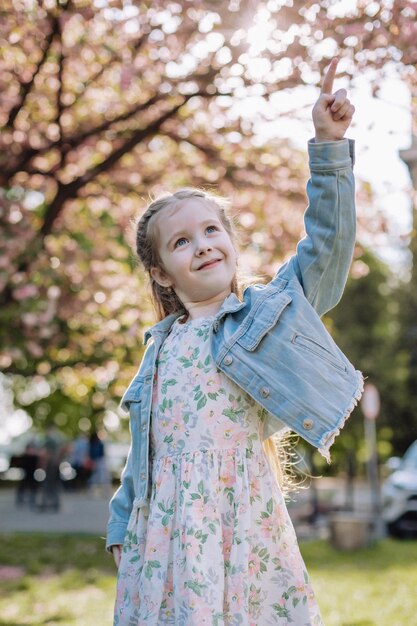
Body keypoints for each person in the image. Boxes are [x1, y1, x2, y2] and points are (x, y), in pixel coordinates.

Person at [106, 57, 364, 625]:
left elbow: (326, 249)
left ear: (230, 240)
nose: (201, 244)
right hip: (165, 533)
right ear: (162, 274)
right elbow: (140, 454)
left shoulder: (264, 314)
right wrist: (122, 524)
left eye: (211, 229)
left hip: (241, 519)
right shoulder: (160, 350)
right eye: (180, 242)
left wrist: (327, 148)